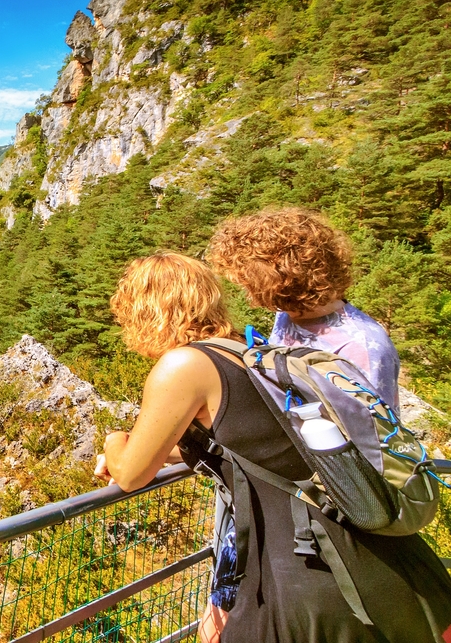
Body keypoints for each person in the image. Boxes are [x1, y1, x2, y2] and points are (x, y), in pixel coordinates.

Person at [94, 252, 451, 642]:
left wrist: (116, 442)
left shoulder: (185, 364)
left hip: (313, 579)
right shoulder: (249, 351)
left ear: (142, 310)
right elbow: (250, 444)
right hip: (383, 562)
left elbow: (130, 473)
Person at [201, 207, 404, 638]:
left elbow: (372, 450)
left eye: (245, 278)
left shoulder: (361, 346)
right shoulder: (289, 319)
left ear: (277, 275)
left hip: (324, 522)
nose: (244, 291)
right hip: (272, 501)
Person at [207, 206, 399, 405]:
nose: (246, 291)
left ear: (281, 280)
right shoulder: (288, 313)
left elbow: (377, 428)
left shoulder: (361, 345)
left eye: (249, 283)